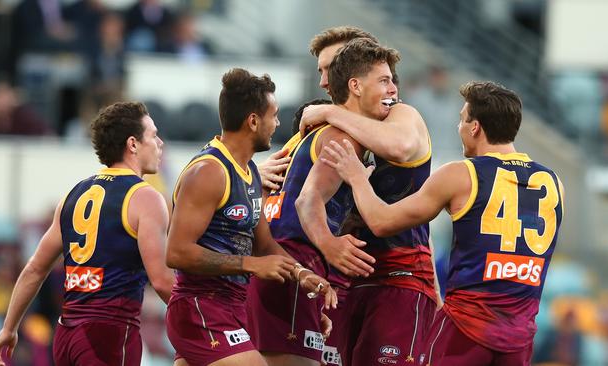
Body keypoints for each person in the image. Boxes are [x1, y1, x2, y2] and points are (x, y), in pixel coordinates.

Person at [322, 81, 565, 366]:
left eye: (462, 120)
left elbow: (381, 221)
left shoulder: (460, 174)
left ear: (475, 127)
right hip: (520, 338)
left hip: (464, 330)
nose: (459, 128)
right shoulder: (555, 183)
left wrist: (357, 178)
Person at [164, 68, 334, 366]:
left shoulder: (251, 171)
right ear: (253, 121)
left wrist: (302, 274)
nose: (277, 124)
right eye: (274, 115)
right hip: (201, 305)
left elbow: (265, 246)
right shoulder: (208, 171)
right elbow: (177, 252)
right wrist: (251, 265)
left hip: (233, 304)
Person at [246, 37, 397, 366]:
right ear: (356, 86)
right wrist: (330, 244)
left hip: (284, 261)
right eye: (384, 81)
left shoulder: (321, 130)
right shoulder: (343, 136)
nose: (392, 90)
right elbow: (307, 199)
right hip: (294, 261)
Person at [0, 101, 175, 366]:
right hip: (109, 333)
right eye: (153, 135)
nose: (160, 144)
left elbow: (34, 269)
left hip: (66, 334)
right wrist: (202, 324)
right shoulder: (146, 198)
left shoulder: (73, 195)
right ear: (133, 144)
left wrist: (8, 329)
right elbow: (162, 281)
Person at [303, 26, 439, 365]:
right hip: (344, 279)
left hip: (399, 276)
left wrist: (332, 111)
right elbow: (304, 196)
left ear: (354, 76)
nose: (324, 80)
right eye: (321, 70)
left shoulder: (400, 113)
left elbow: (402, 146)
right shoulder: (327, 130)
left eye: (331, 67)